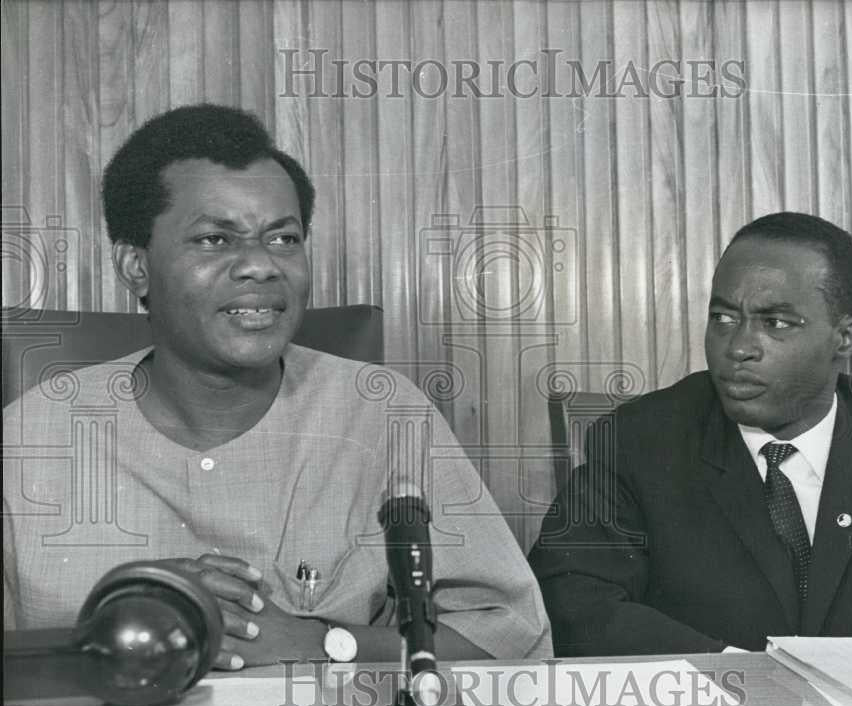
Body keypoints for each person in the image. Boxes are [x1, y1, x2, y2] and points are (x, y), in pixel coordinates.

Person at [3, 104, 551, 667]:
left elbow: (515, 637)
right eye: (215, 239)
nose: (261, 266)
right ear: (135, 266)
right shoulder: (30, 435)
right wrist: (131, 616)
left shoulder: (384, 416)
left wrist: (323, 643)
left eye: (284, 238)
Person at [529, 212, 852, 655]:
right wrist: (744, 680)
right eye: (724, 318)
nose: (738, 348)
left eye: (776, 323)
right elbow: (573, 601)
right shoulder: (637, 441)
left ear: (845, 338)